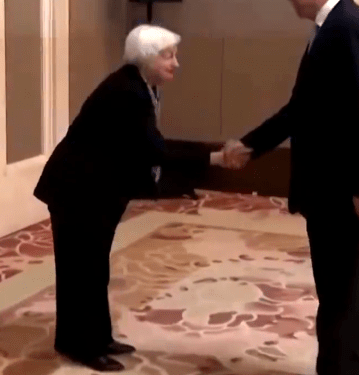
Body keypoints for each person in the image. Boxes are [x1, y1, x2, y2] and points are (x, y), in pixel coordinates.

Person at [223, 0, 359, 375]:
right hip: (328, 186)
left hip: (342, 187)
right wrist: (251, 145)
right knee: (335, 287)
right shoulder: (331, 27)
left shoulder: (350, 26)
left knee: (341, 288)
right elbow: (302, 109)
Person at [33, 24, 229, 372]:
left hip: (96, 190)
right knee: (82, 270)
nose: (176, 63)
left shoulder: (139, 86)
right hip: (78, 191)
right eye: (168, 56)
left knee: (94, 268)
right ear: (147, 58)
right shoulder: (127, 91)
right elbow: (154, 149)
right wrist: (213, 157)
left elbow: (143, 145)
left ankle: (97, 337)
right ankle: (80, 346)